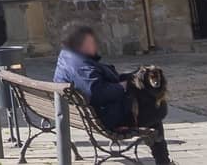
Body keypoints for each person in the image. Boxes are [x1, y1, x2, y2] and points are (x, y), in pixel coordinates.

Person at [54, 24, 171, 164]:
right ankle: (163, 161)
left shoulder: (67, 57)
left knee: (151, 105)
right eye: (92, 42)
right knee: (158, 110)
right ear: (81, 44)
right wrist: (122, 86)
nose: (96, 45)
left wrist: (131, 76)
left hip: (94, 114)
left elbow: (96, 84)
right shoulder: (81, 66)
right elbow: (97, 93)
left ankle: (163, 161)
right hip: (109, 118)